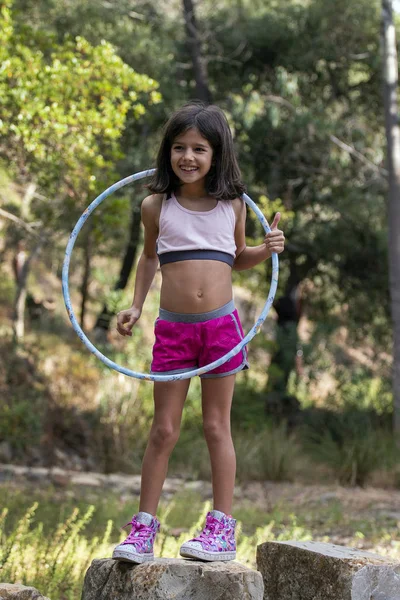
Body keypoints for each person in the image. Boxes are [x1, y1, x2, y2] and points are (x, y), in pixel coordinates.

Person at [112, 102, 285, 564]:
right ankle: (142, 530)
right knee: (163, 430)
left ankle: (221, 529)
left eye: (199, 149)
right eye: (179, 147)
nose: (188, 157)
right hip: (173, 330)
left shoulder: (231, 205)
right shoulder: (155, 206)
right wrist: (134, 304)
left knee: (215, 426)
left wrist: (265, 251)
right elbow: (149, 258)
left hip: (220, 328)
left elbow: (236, 257)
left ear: (217, 154)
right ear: (168, 151)